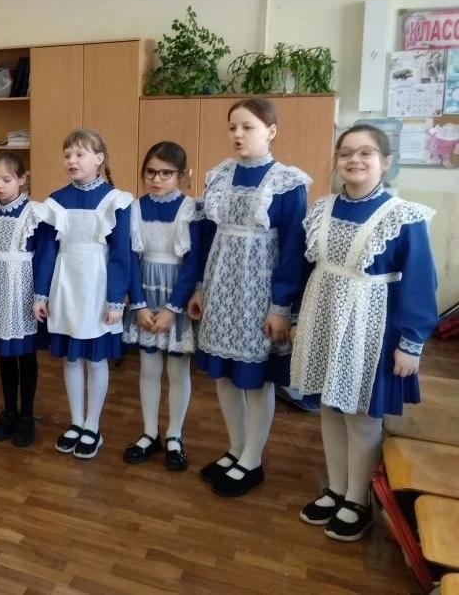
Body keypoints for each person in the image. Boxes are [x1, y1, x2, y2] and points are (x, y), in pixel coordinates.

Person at [291, 124, 437, 541]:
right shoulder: (321, 209)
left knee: (360, 413)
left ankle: (359, 499)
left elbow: (420, 282)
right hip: (323, 315)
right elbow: (306, 268)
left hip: (371, 325)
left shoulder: (403, 215)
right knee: (329, 406)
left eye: (366, 153)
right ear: (336, 160)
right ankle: (336, 488)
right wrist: (298, 317)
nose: (354, 160)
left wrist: (411, 342)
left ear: (385, 162)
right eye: (346, 153)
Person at [188, 98, 310, 497]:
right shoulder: (219, 176)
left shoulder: (287, 182)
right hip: (221, 286)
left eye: (248, 127)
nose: (238, 134)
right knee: (225, 375)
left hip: (259, 291)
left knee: (256, 380)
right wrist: (200, 287)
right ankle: (236, 448)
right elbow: (207, 236)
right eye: (232, 127)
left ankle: (253, 459)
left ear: (270, 131)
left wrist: (281, 306)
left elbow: (292, 249)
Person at [33, 128, 133, 460]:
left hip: (97, 286)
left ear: (99, 159)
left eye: (79, 154)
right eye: (67, 155)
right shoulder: (56, 200)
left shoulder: (115, 200)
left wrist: (116, 299)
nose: (71, 160)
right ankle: (76, 422)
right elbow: (47, 252)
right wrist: (40, 294)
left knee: (96, 357)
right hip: (65, 285)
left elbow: (121, 255)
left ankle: (93, 425)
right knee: (72, 357)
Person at [122, 142, 201, 471]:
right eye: (151, 172)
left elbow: (193, 263)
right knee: (149, 368)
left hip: (175, 296)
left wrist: (172, 308)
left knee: (178, 371)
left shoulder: (191, 209)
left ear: (181, 175)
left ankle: (174, 435)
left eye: (166, 173)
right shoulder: (134, 208)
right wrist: (139, 306)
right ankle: (149, 432)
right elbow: (129, 258)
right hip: (145, 293)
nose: (157, 179)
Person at [0, 152, 47, 448]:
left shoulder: (34, 212)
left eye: (6, 179)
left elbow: (42, 256)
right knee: (5, 356)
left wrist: (40, 294)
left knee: (25, 355)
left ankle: (27, 415)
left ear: (21, 179)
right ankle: (9, 411)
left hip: (24, 291)